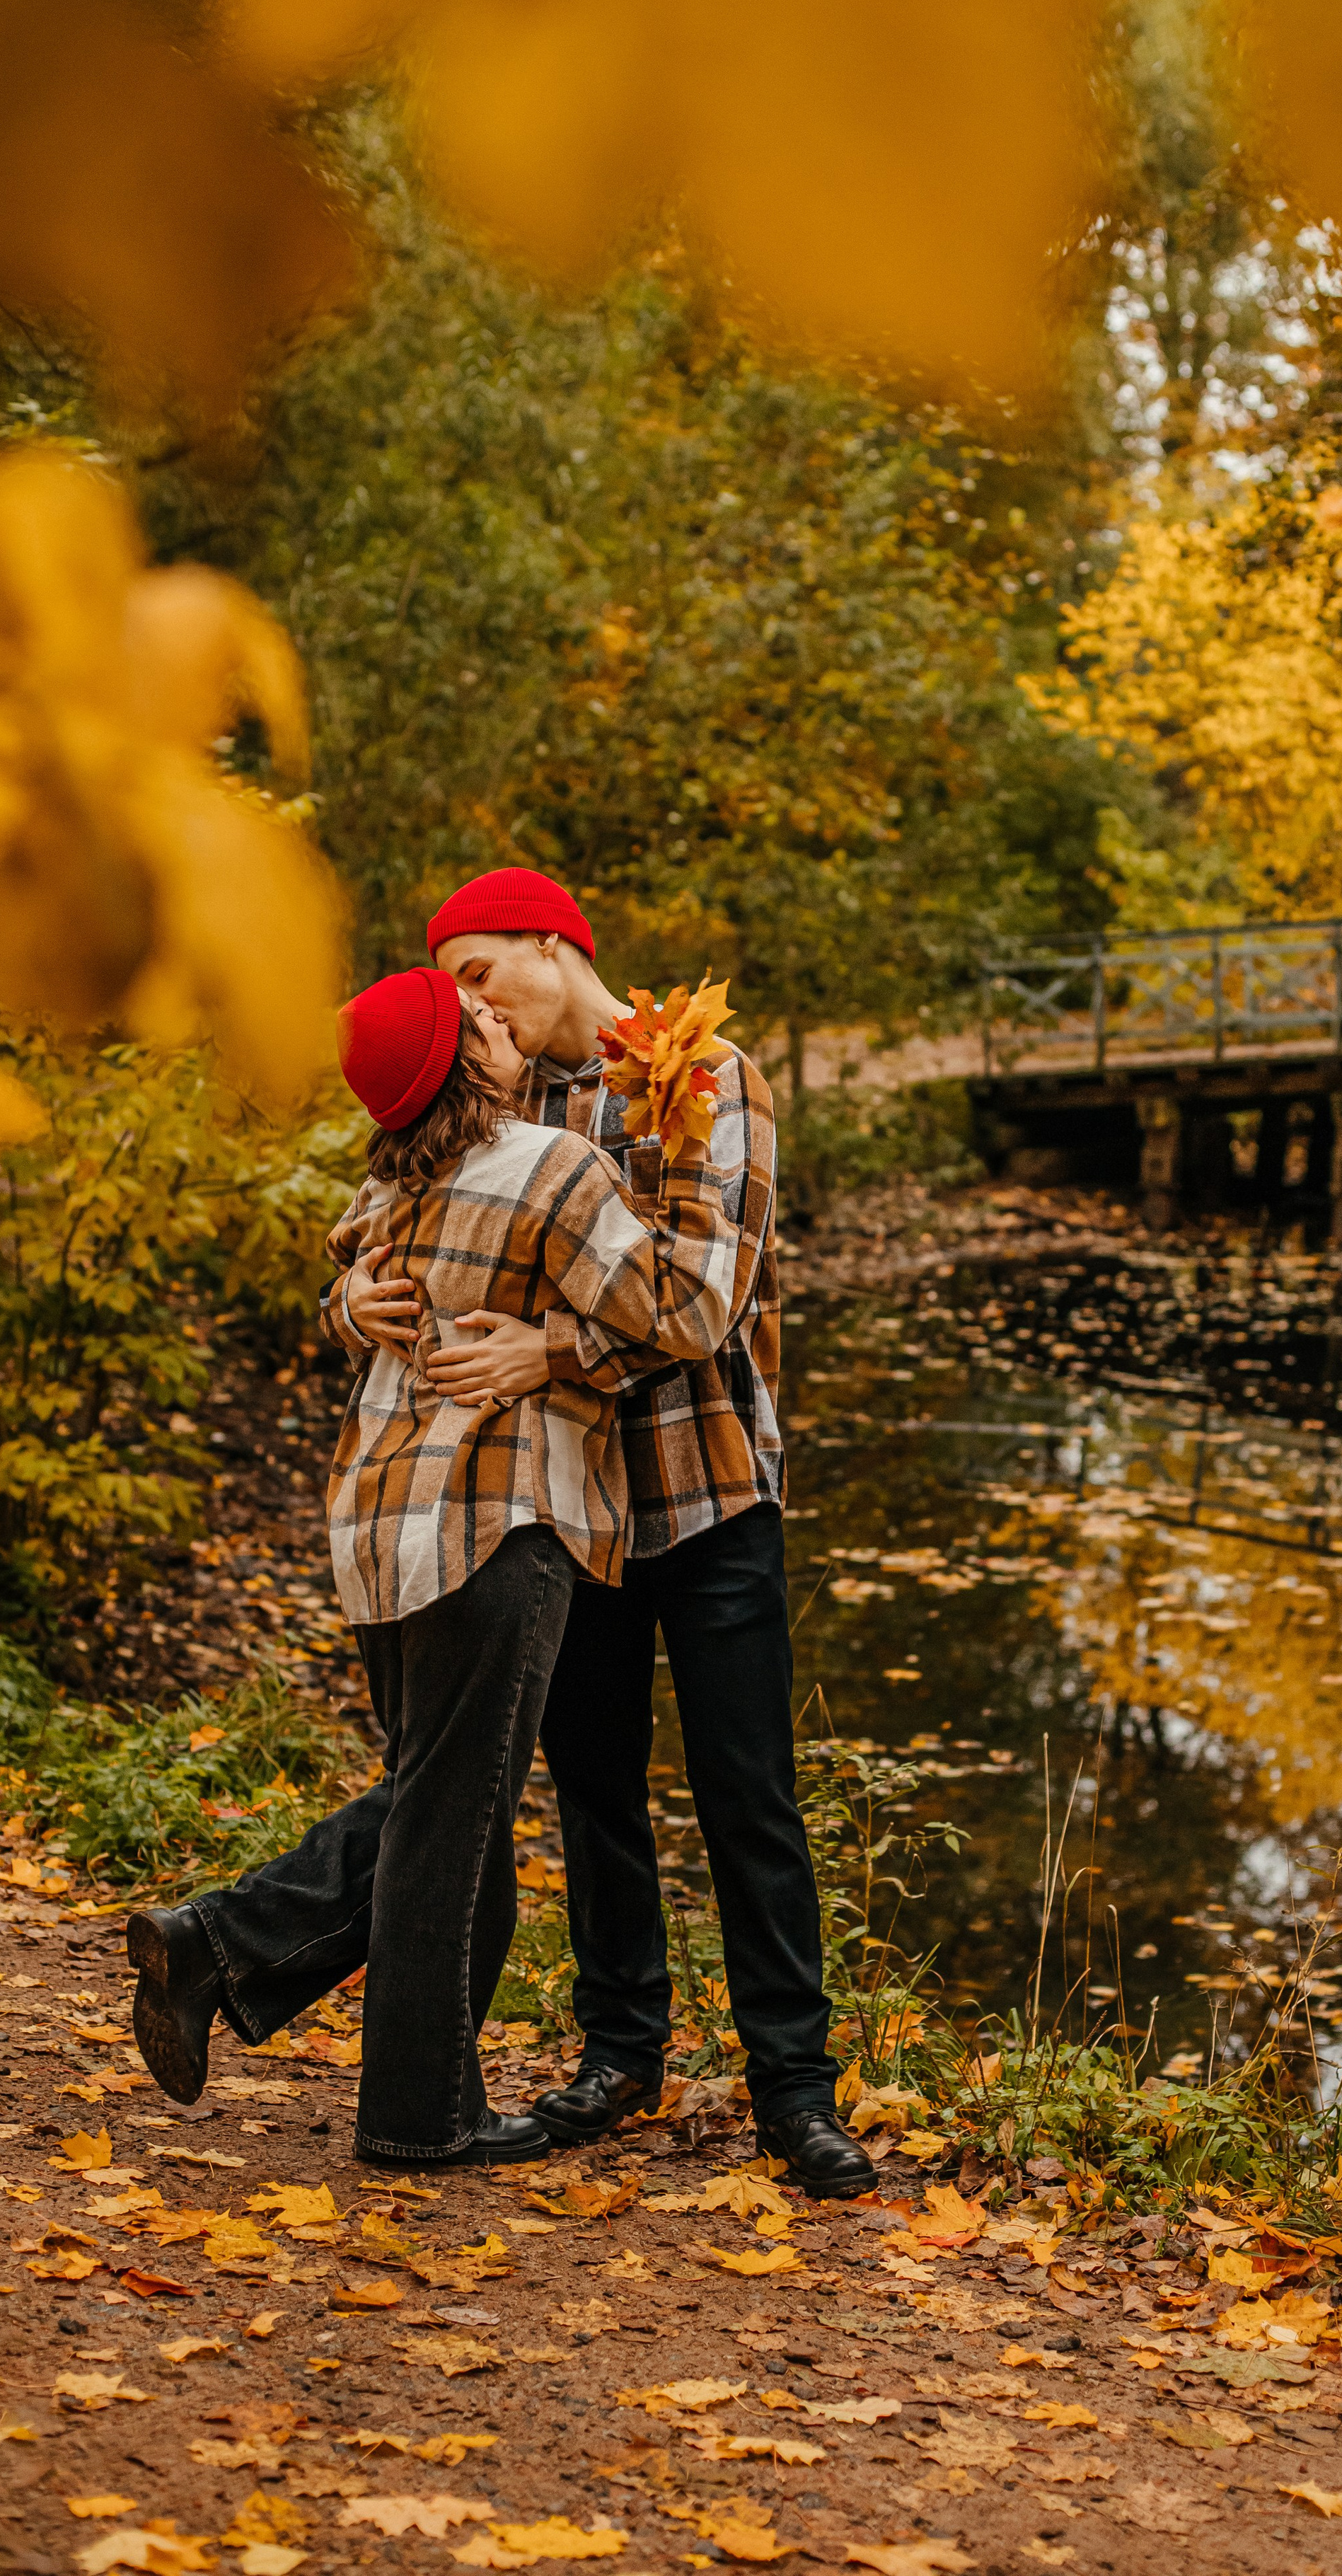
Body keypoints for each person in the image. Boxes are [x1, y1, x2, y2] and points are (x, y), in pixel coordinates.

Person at [126, 964, 733, 2168]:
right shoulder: (554, 1168)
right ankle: (412, 2111)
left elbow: (346, 1280)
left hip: (378, 1527)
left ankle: (228, 1953)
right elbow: (683, 1308)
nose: (499, 1019)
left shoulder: (389, 1184)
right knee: (449, 1826)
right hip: (494, 1518)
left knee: (436, 1806)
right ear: (458, 1067)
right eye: (478, 1022)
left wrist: (351, 1306)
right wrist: (686, 1167)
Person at [423, 865, 876, 2199]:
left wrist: (550, 1351)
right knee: (596, 1789)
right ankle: (621, 2059)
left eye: (480, 972)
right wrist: (360, 1306)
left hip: (710, 1485)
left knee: (749, 1793)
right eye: (454, 988)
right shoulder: (499, 1101)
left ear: (554, 944)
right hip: (567, 1500)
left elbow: (706, 1302)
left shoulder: (707, 1074)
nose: (472, 1006)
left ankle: (794, 2089)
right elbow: (419, 1250)